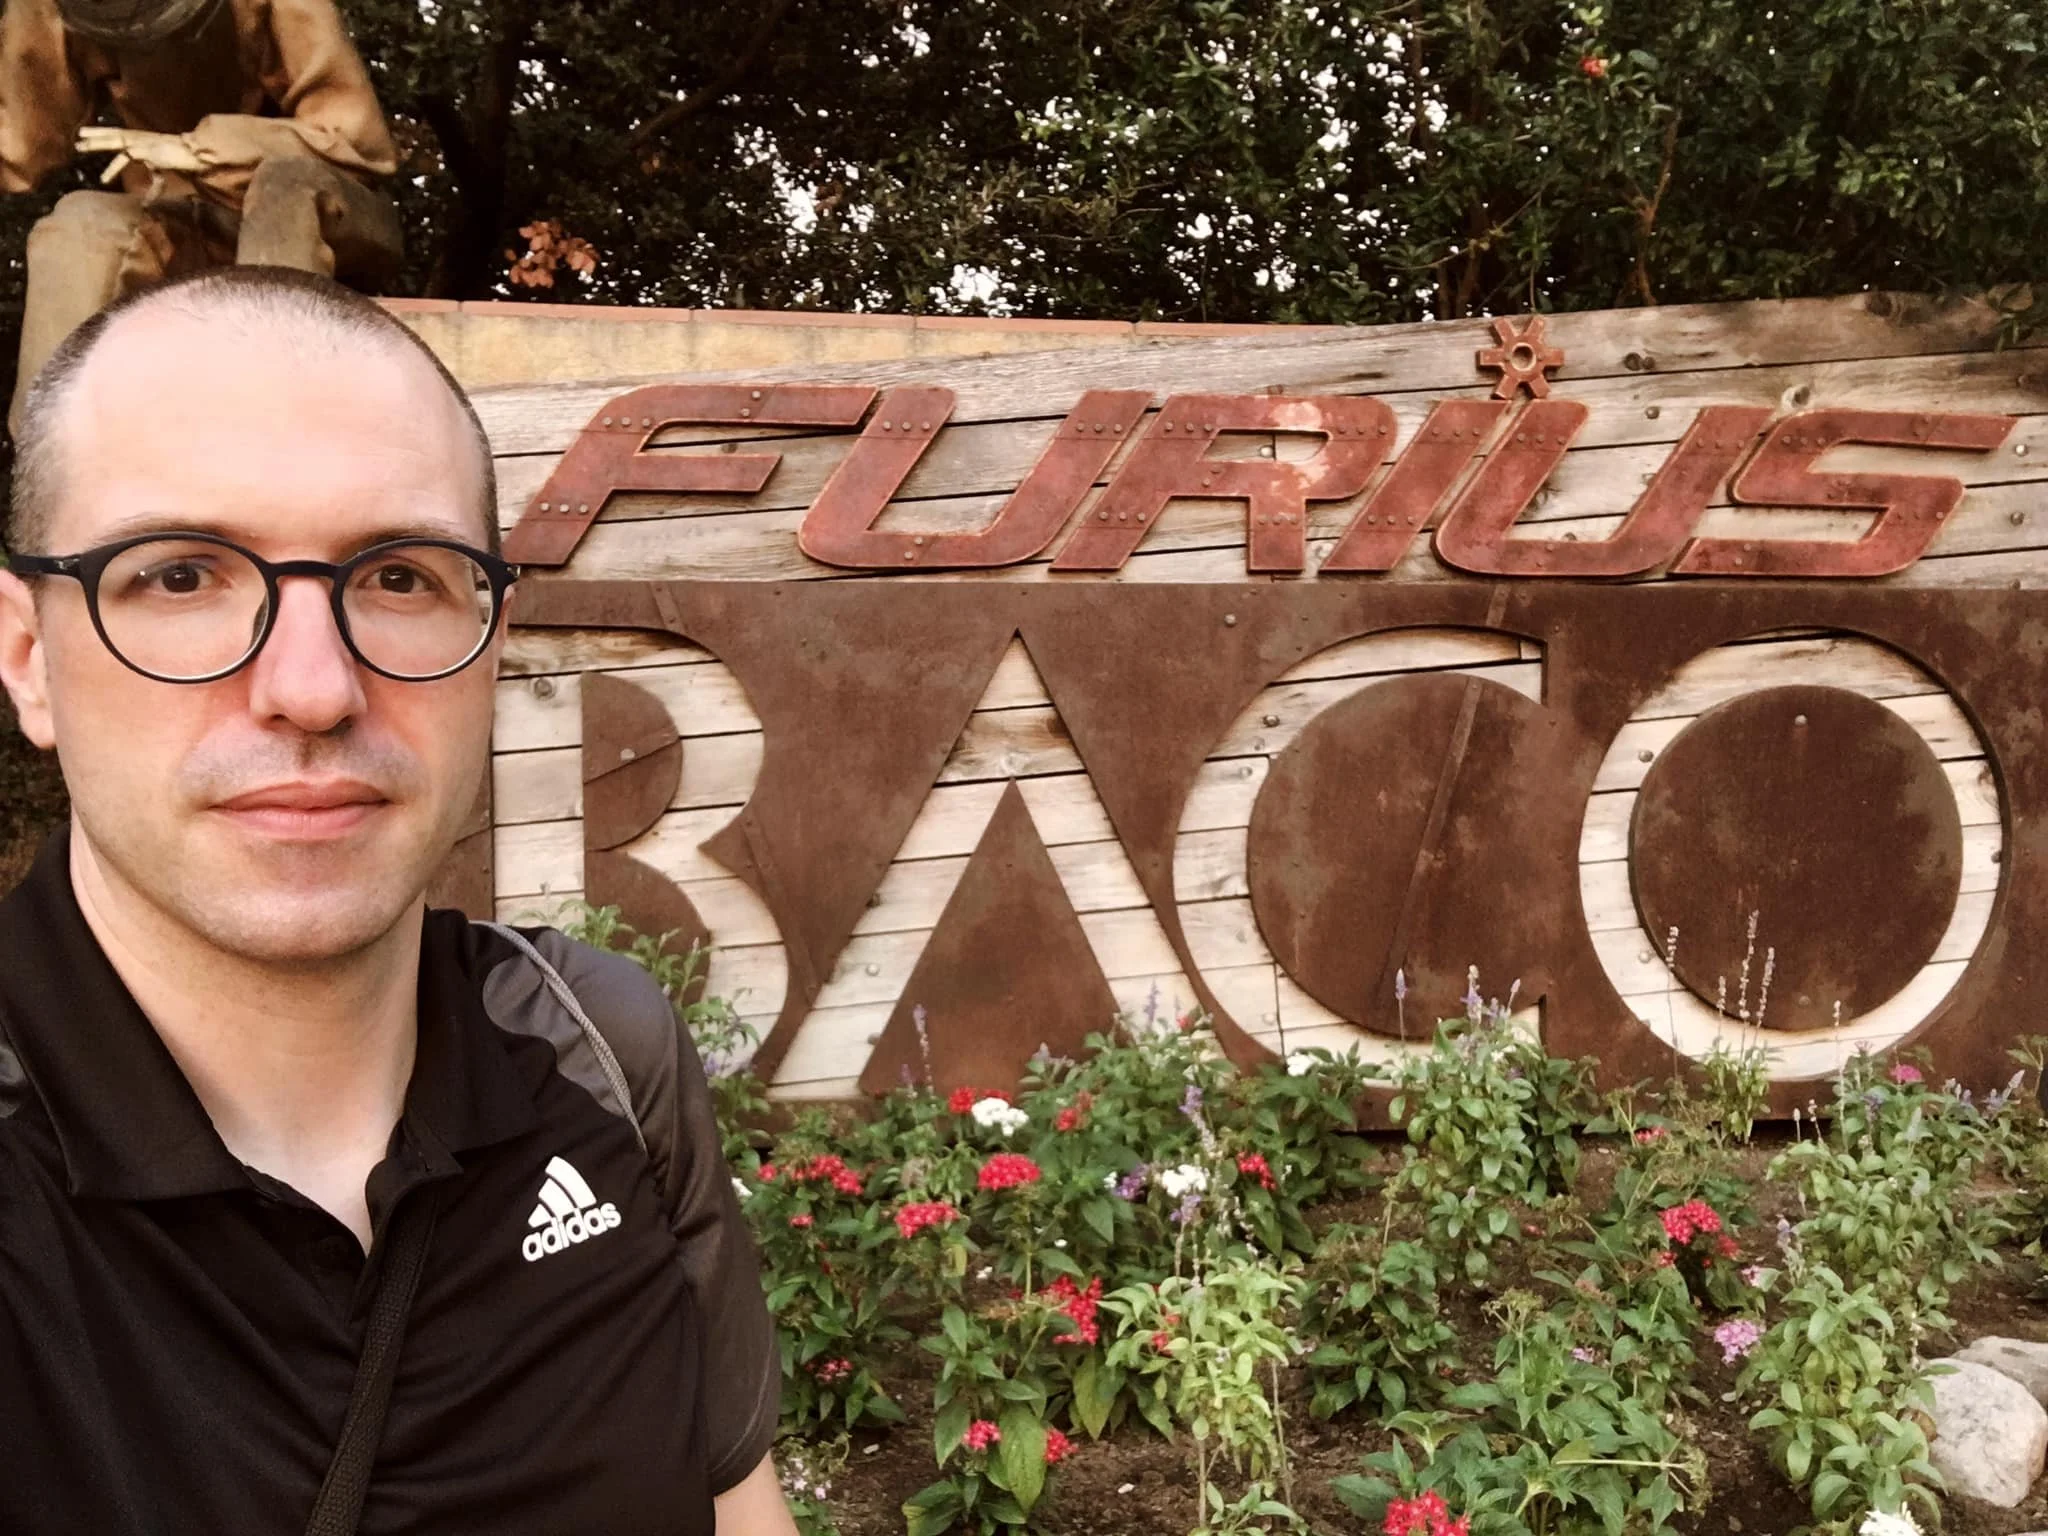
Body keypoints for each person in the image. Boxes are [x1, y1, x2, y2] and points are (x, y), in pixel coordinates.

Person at [0, 265, 796, 1534]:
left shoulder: (602, 1054)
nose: (310, 688)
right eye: (180, 576)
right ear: (30, 657)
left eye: (400, 576)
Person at [0, 0, 404, 430]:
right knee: (78, 226)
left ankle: (273, 425)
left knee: (283, 189)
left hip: (329, 214)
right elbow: (23, 147)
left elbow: (361, 144)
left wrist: (201, 149)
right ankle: (54, 457)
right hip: (184, 219)